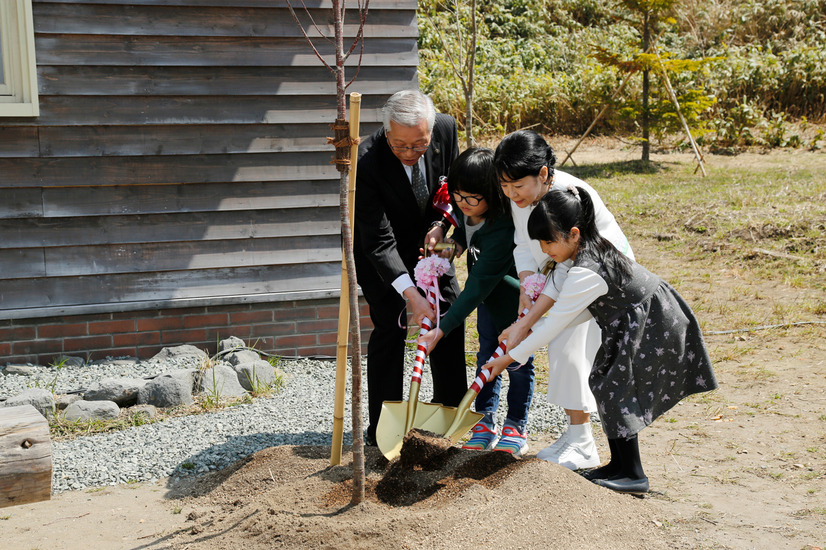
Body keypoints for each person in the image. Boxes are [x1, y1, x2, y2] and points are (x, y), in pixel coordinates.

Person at [484, 187, 717, 493]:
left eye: (548, 241)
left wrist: (507, 358)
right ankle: (619, 465)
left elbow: (555, 323)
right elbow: (555, 290)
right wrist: (522, 327)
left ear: (574, 234)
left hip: (653, 322)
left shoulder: (587, 271)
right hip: (627, 322)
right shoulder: (579, 255)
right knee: (605, 382)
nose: (544, 249)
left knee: (617, 387)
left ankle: (633, 474)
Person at [493, 129, 634, 470]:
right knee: (561, 347)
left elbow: (569, 270)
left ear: (543, 174)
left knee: (564, 344)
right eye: (505, 187)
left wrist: (522, 330)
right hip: (563, 277)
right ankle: (576, 434)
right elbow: (523, 244)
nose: (512, 195)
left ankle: (583, 441)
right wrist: (527, 284)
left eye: (518, 186)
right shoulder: (524, 198)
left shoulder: (568, 197)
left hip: (599, 279)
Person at [354, 90, 467, 446]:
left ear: (432, 132)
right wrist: (410, 293)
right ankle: (383, 428)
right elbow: (376, 239)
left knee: (449, 315)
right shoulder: (366, 160)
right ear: (386, 132)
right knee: (390, 326)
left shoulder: (446, 130)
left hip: (431, 245)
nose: (409, 153)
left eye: (419, 145)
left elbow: (455, 188)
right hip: (382, 252)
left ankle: (450, 414)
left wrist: (442, 225)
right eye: (400, 145)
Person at [417, 148, 536, 457]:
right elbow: (467, 238)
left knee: (518, 363)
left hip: (514, 306)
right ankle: (484, 422)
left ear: (492, 194)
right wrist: (445, 247)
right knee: (485, 359)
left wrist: (441, 330)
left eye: (472, 199)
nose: (463, 205)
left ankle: (516, 426)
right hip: (488, 304)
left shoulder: (501, 228)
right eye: (457, 196)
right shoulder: (470, 212)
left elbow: (476, 285)